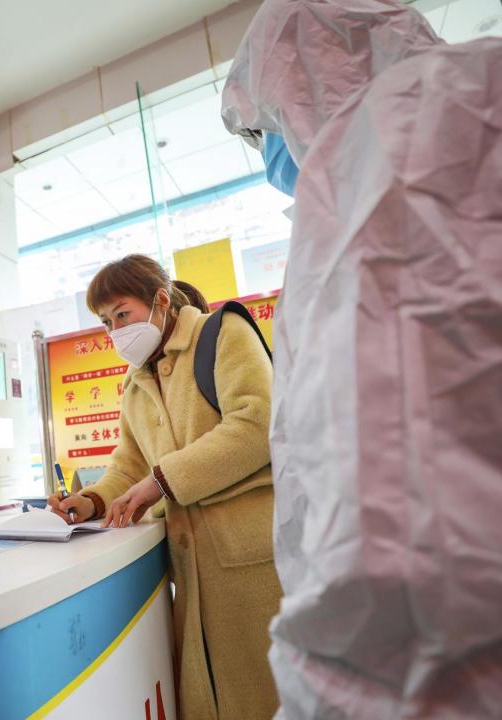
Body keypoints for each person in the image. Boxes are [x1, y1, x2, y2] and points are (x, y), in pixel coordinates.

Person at [220, 1, 502, 716]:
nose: (270, 153)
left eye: (262, 128)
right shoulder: (474, 92)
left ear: (297, 74)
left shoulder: (370, 175)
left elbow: (386, 520)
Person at [49, 255, 282, 720]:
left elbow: (259, 423)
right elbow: (128, 464)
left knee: (272, 690)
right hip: (192, 566)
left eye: (122, 314)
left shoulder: (222, 333)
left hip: (254, 558)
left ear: (159, 300)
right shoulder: (136, 384)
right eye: (105, 321)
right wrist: (92, 499)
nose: (114, 331)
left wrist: (163, 480)